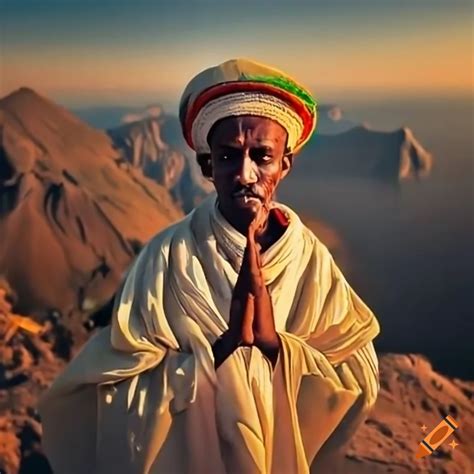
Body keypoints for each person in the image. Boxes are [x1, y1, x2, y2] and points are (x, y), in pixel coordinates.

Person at [39, 58, 380, 474]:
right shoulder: (165, 259)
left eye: (263, 156)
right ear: (207, 167)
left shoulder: (309, 260)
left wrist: (276, 348)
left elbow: (358, 374)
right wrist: (221, 352)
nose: (245, 174)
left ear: (285, 164)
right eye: (228, 157)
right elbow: (113, 388)